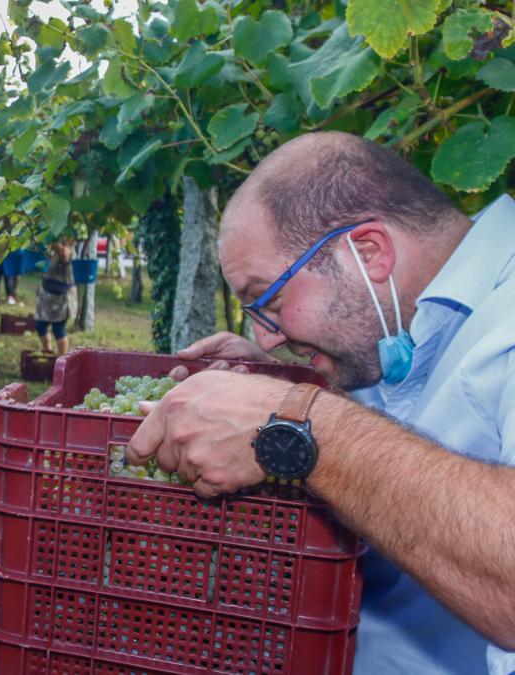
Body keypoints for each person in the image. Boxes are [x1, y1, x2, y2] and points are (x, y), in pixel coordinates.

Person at [125, 131, 515, 674]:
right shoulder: (400, 330)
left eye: (271, 300)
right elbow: (418, 452)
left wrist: (300, 426)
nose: (266, 336)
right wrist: (279, 382)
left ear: (370, 252)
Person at [34, 239, 76, 355]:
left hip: (60, 297)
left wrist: (53, 239)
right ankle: (47, 350)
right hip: (46, 294)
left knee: (58, 328)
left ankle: (62, 361)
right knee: (40, 325)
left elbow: (64, 254)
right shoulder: (51, 247)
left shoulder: (66, 248)